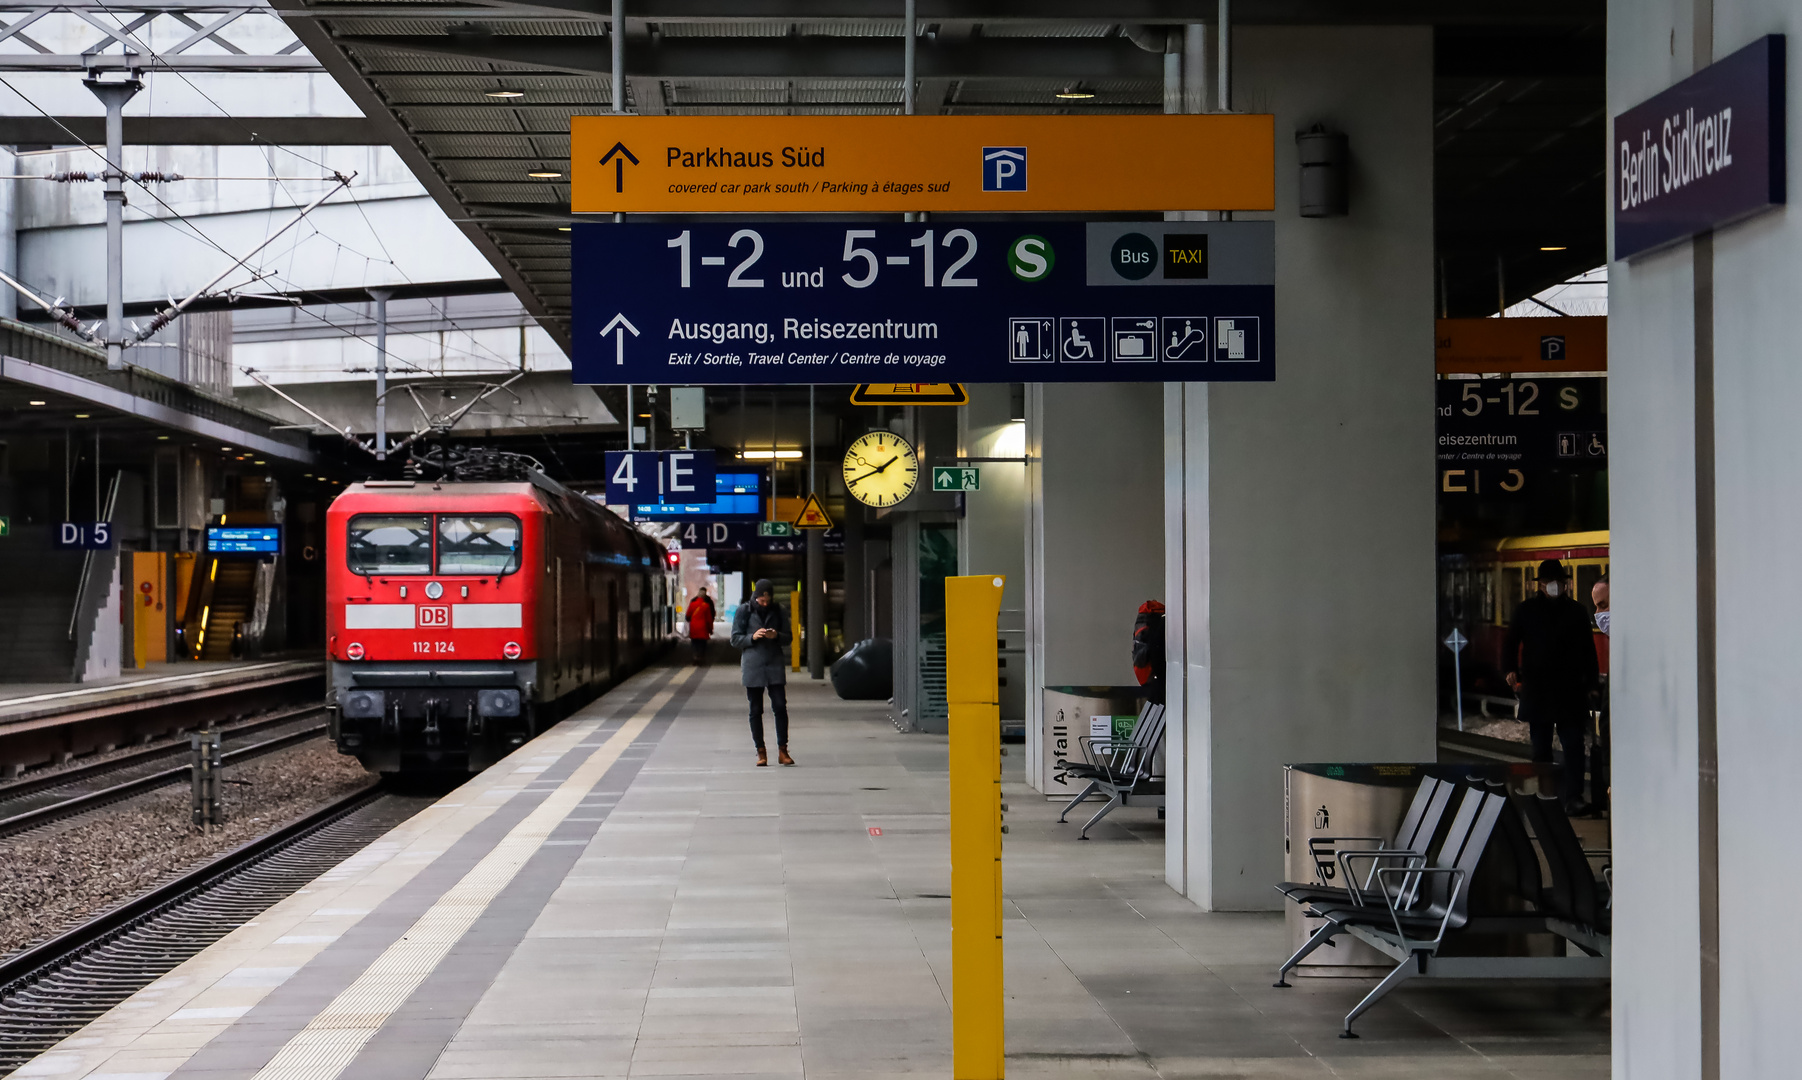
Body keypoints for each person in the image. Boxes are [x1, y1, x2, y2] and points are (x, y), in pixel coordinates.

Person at [1503, 559, 1601, 815]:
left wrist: (1591, 684)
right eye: (1547, 583)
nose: (1552, 587)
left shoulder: (1577, 612)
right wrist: (1510, 669)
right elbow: (1511, 642)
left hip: (1570, 689)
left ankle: (1573, 798)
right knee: (1541, 747)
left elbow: (1588, 651)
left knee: (1573, 746)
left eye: (1556, 583)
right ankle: (1546, 796)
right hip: (1538, 688)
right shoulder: (1526, 611)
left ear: (1565, 584)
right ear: (1540, 585)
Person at [730, 579, 794, 767]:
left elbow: (788, 637)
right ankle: (761, 752)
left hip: (774, 663)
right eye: (761, 600)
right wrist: (752, 637)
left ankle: (783, 750)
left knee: (780, 706)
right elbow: (735, 638)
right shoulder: (744, 610)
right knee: (755, 709)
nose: (764, 603)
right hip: (753, 665)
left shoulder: (779, 610)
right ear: (755, 597)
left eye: (767, 600)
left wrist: (777, 636)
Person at [684, 588, 717, 663]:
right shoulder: (706, 606)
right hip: (703, 628)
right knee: (702, 644)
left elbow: (688, 615)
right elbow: (709, 619)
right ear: (704, 596)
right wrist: (710, 630)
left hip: (694, 627)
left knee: (695, 643)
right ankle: (701, 657)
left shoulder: (692, 604)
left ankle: (695, 656)